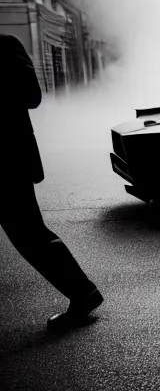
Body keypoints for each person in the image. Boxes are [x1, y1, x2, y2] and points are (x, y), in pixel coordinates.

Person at [0, 34, 103, 331]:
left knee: (30, 236)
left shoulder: (5, 46)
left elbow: (32, 96)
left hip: (6, 161)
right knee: (30, 236)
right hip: (7, 161)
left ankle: (84, 294)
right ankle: (84, 294)